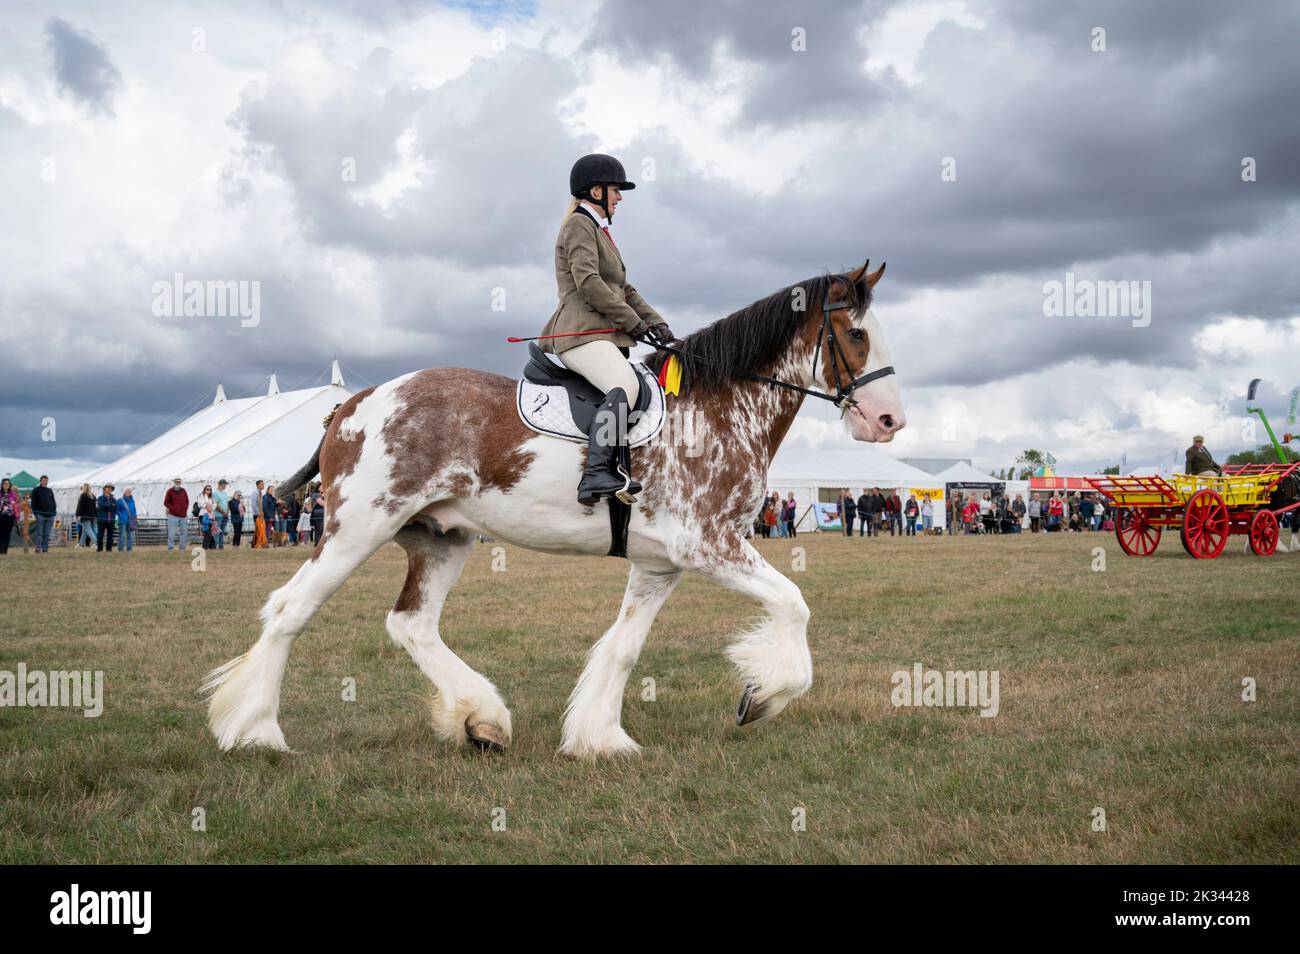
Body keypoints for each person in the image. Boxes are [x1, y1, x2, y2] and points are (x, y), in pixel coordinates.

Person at [538, 154, 672, 506]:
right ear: (596, 191)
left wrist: (656, 322)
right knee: (624, 385)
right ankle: (595, 473)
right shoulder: (578, 226)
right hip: (579, 332)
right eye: (616, 190)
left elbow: (623, 289)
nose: (620, 198)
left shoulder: (598, 231)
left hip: (599, 333)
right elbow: (589, 285)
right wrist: (633, 322)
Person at [30, 475, 58, 554]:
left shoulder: (49, 490)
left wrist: (54, 512)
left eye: (46, 480)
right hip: (40, 515)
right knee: (39, 533)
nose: (45, 482)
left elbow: (53, 501)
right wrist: (36, 513)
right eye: (44, 480)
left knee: (46, 533)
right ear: (40, 481)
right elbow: (33, 503)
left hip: (50, 515)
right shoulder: (36, 490)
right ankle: (38, 548)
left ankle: (45, 549)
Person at [164, 477, 190, 552]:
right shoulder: (170, 491)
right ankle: (170, 549)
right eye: (176, 482)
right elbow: (166, 502)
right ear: (174, 482)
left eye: (179, 482)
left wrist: (185, 509)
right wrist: (173, 508)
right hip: (173, 516)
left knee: (184, 533)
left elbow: (187, 501)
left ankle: (182, 549)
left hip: (183, 516)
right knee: (171, 533)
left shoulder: (184, 491)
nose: (178, 483)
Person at [95, 484, 117, 552]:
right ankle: (100, 548)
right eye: (108, 487)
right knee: (100, 535)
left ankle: (109, 549)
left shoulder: (113, 499)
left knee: (110, 535)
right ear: (104, 489)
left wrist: (109, 506)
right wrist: (111, 505)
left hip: (111, 519)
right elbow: (102, 507)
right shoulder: (100, 498)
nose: (110, 489)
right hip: (102, 519)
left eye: (111, 488)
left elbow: (114, 509)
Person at [74, 483, 97, 548]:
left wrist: (78, 515)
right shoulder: (93, 496)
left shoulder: (83, 496)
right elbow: (95, 507)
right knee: (85, 530)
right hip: (92, 516)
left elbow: (80, 507)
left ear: (83, 488)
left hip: (84, 516)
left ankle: (96, 542)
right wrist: (95, 515)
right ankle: (81, 544)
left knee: (88, 529)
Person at [0, 478, 18, 555]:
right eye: (5, 483)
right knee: (1, 534)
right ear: (2, 485)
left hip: (10, 516)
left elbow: (16, 506)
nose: (6, 485)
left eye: (8, 483)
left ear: (9, 485)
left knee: (7, 534)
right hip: (1, 516)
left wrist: (16, 516)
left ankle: (5, 550)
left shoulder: (13, 494)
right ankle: (0, 550)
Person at [213, 479, 230, 549]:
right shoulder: (215, 493)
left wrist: (227, 512)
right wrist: (223, 512)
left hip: (225, 515)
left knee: (222, 532)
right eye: (225, 484)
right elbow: (216, 505)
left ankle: (221, 546)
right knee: (217, 532)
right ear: (222, 484)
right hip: (218, 515)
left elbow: (227, 503)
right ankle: (214, 546)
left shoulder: (225, 493)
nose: (226, 486)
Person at [252, 480, 268, 548]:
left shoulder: (260, 492)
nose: (263, 485)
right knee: (258, 529)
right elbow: (254, 504)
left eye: (263, 484)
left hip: (261, 513)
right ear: (257, 485)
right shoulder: (254, 493)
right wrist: (258, 513)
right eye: (261, 484)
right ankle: (256, 544)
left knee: (261, 529)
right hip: (257, 514)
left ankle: (260, 543)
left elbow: (261, 504)